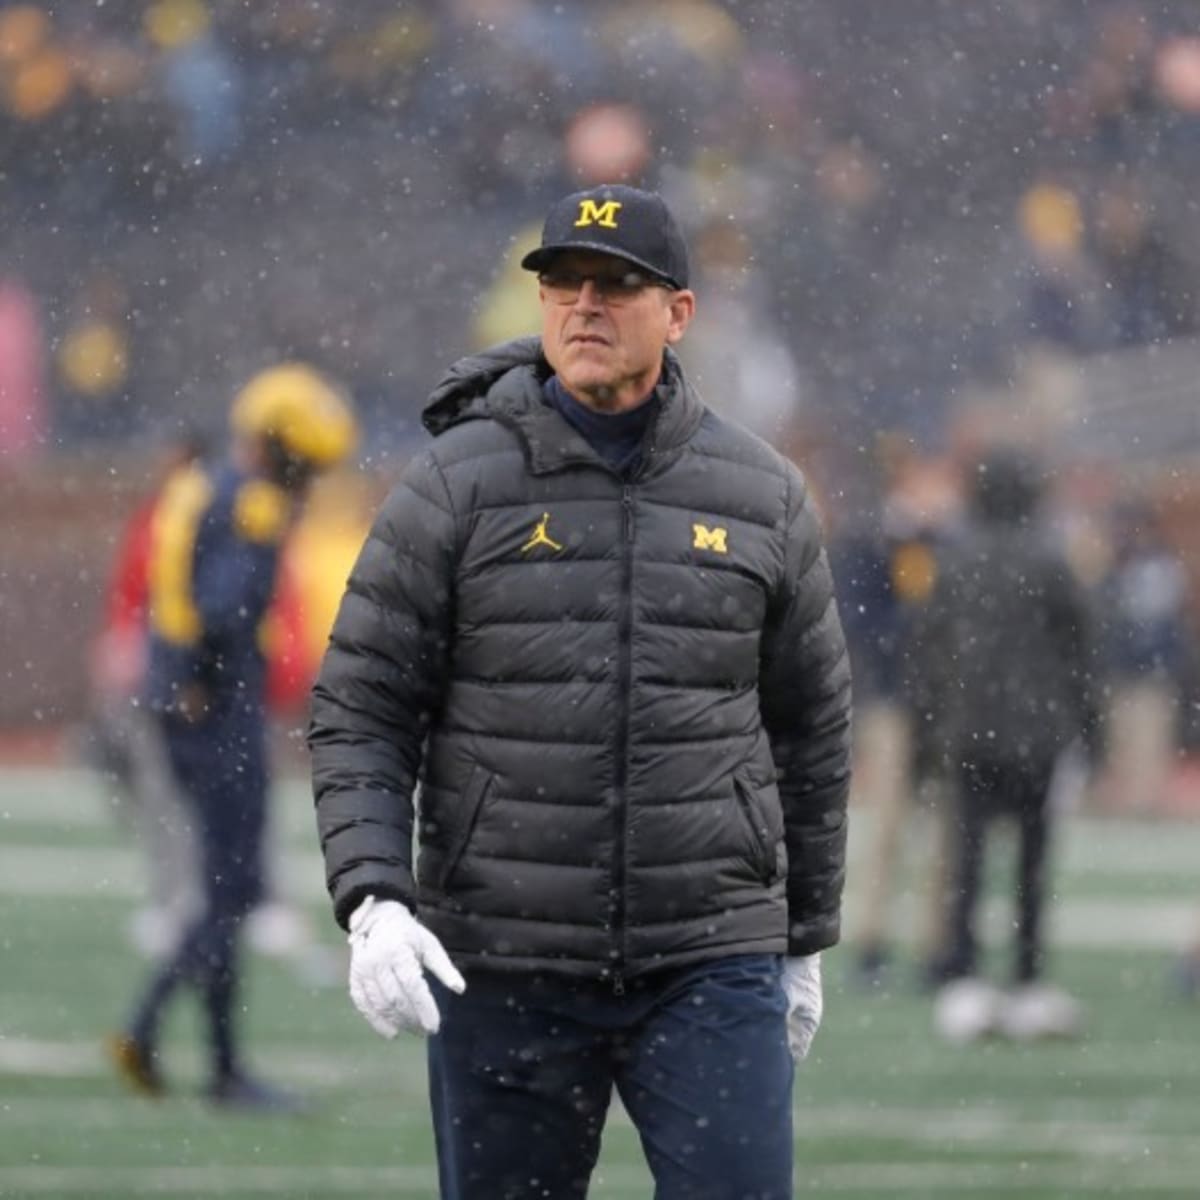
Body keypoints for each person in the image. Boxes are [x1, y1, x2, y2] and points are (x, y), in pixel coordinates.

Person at [309, 184, 852, 1198]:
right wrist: (373, 895)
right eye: (563, 284)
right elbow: (361, 707)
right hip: (505, 956)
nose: (584, 307)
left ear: (679, 313)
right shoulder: (455, 484)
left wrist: (804, 936)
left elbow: (809, 730)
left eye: (617, 285)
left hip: (708, 955)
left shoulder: (762, 493)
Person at [108, 363, 357, 1110]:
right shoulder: (251, 506)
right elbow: (220, 607)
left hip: (192, 710)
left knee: (226, 889)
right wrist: (214, 681)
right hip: (220, 718)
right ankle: (160, 1035)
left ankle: (202, 1059)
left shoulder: (203, 485)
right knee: (230, 891)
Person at [912, 447, 1098, 1043]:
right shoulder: (1051, 562)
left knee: (967, 859)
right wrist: (1092, 730)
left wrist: (929, 731)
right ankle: (1027, 979)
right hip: (1037, 735)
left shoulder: (957, 560)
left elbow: (929, 654)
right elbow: (1084, 654)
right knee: (1031, 863)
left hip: (972, 731)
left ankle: (964, 976)